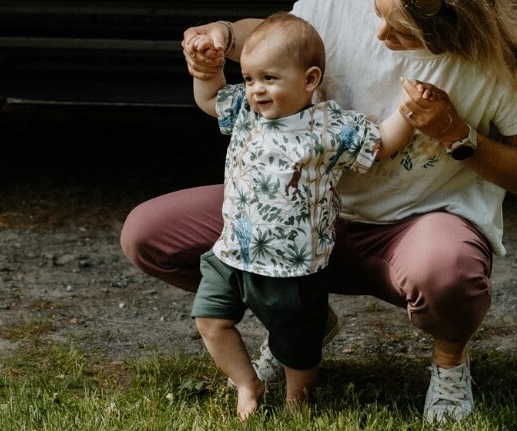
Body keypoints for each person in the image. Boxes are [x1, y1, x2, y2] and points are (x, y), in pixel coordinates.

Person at [120, 0, 517, 424]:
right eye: (377, 15)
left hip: (412, 229)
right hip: (295, 224)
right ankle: (300, 322)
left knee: (448, 272)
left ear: (451, 24)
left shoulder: (495, 63)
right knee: (147, 234)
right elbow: (281, 36)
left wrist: (454, 133)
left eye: (398, 29)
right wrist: (223, 35)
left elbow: (381, 143)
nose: (378, 33)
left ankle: (450, 363)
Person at [188, 11, 416, 420]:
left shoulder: (327, 126)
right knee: (209, 320)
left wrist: (410, 112)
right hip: (232, 254)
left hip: (293, 268)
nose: (256, 89)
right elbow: (209, 99)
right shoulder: (245, 109)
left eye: (269, 78)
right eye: (250, 77)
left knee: (299, 350)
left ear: (310, 80)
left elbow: (381, 143)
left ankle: (299, 403)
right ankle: (247, 382)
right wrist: (207, 71)